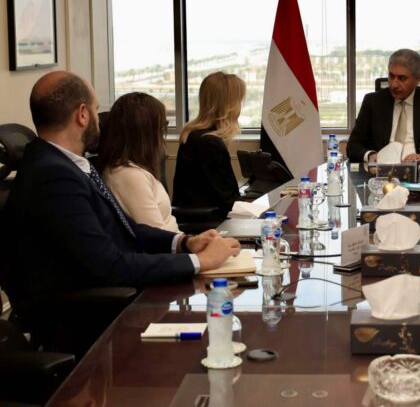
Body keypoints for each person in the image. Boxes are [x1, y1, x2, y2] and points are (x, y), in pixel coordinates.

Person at [0, 71, 239, 308]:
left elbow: (128, 229)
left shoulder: (68, 164)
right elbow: (109, 266)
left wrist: (184, 242)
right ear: (82, 115)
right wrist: (200, 261)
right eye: (95, 110)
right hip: (85, 313)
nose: (99, 120)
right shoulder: (54, 177)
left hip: (108, 294)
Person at [346, 49, 420, 164]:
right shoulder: (373, 102)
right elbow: (353, 146)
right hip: (381, 170)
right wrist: (371, 155)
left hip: (419, 171)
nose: (394, 84)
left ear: (417, 79)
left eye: (402, 78)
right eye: (391, 76)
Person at [99, 92, 179, 232]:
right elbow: (156, 236)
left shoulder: (136, 169)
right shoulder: (128, 176)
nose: (162, 134)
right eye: (162, 126)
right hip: (172, 244)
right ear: (146, 132)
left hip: (179, 242)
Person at [173, 71, 246, 219]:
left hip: (199, 217)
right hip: (209, 223)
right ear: (229, 105)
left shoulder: (193, 134)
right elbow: (227, 201)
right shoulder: (209, 143)